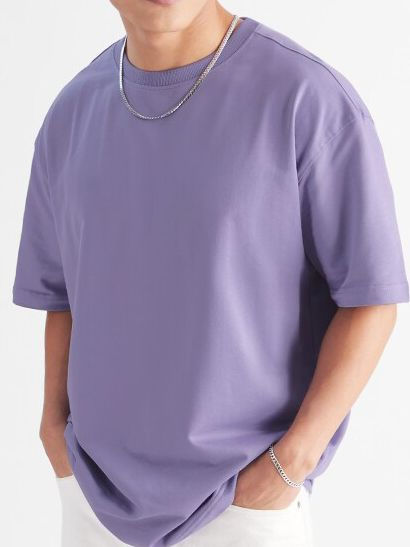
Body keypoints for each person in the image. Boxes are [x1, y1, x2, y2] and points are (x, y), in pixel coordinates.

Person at [12, 1, 409, 546]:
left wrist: (291, 463)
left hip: (242, 504)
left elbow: (370, 298)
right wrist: (55, 434)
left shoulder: (306, 98)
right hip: (92, 501)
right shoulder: (71, 114)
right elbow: (61, 295)